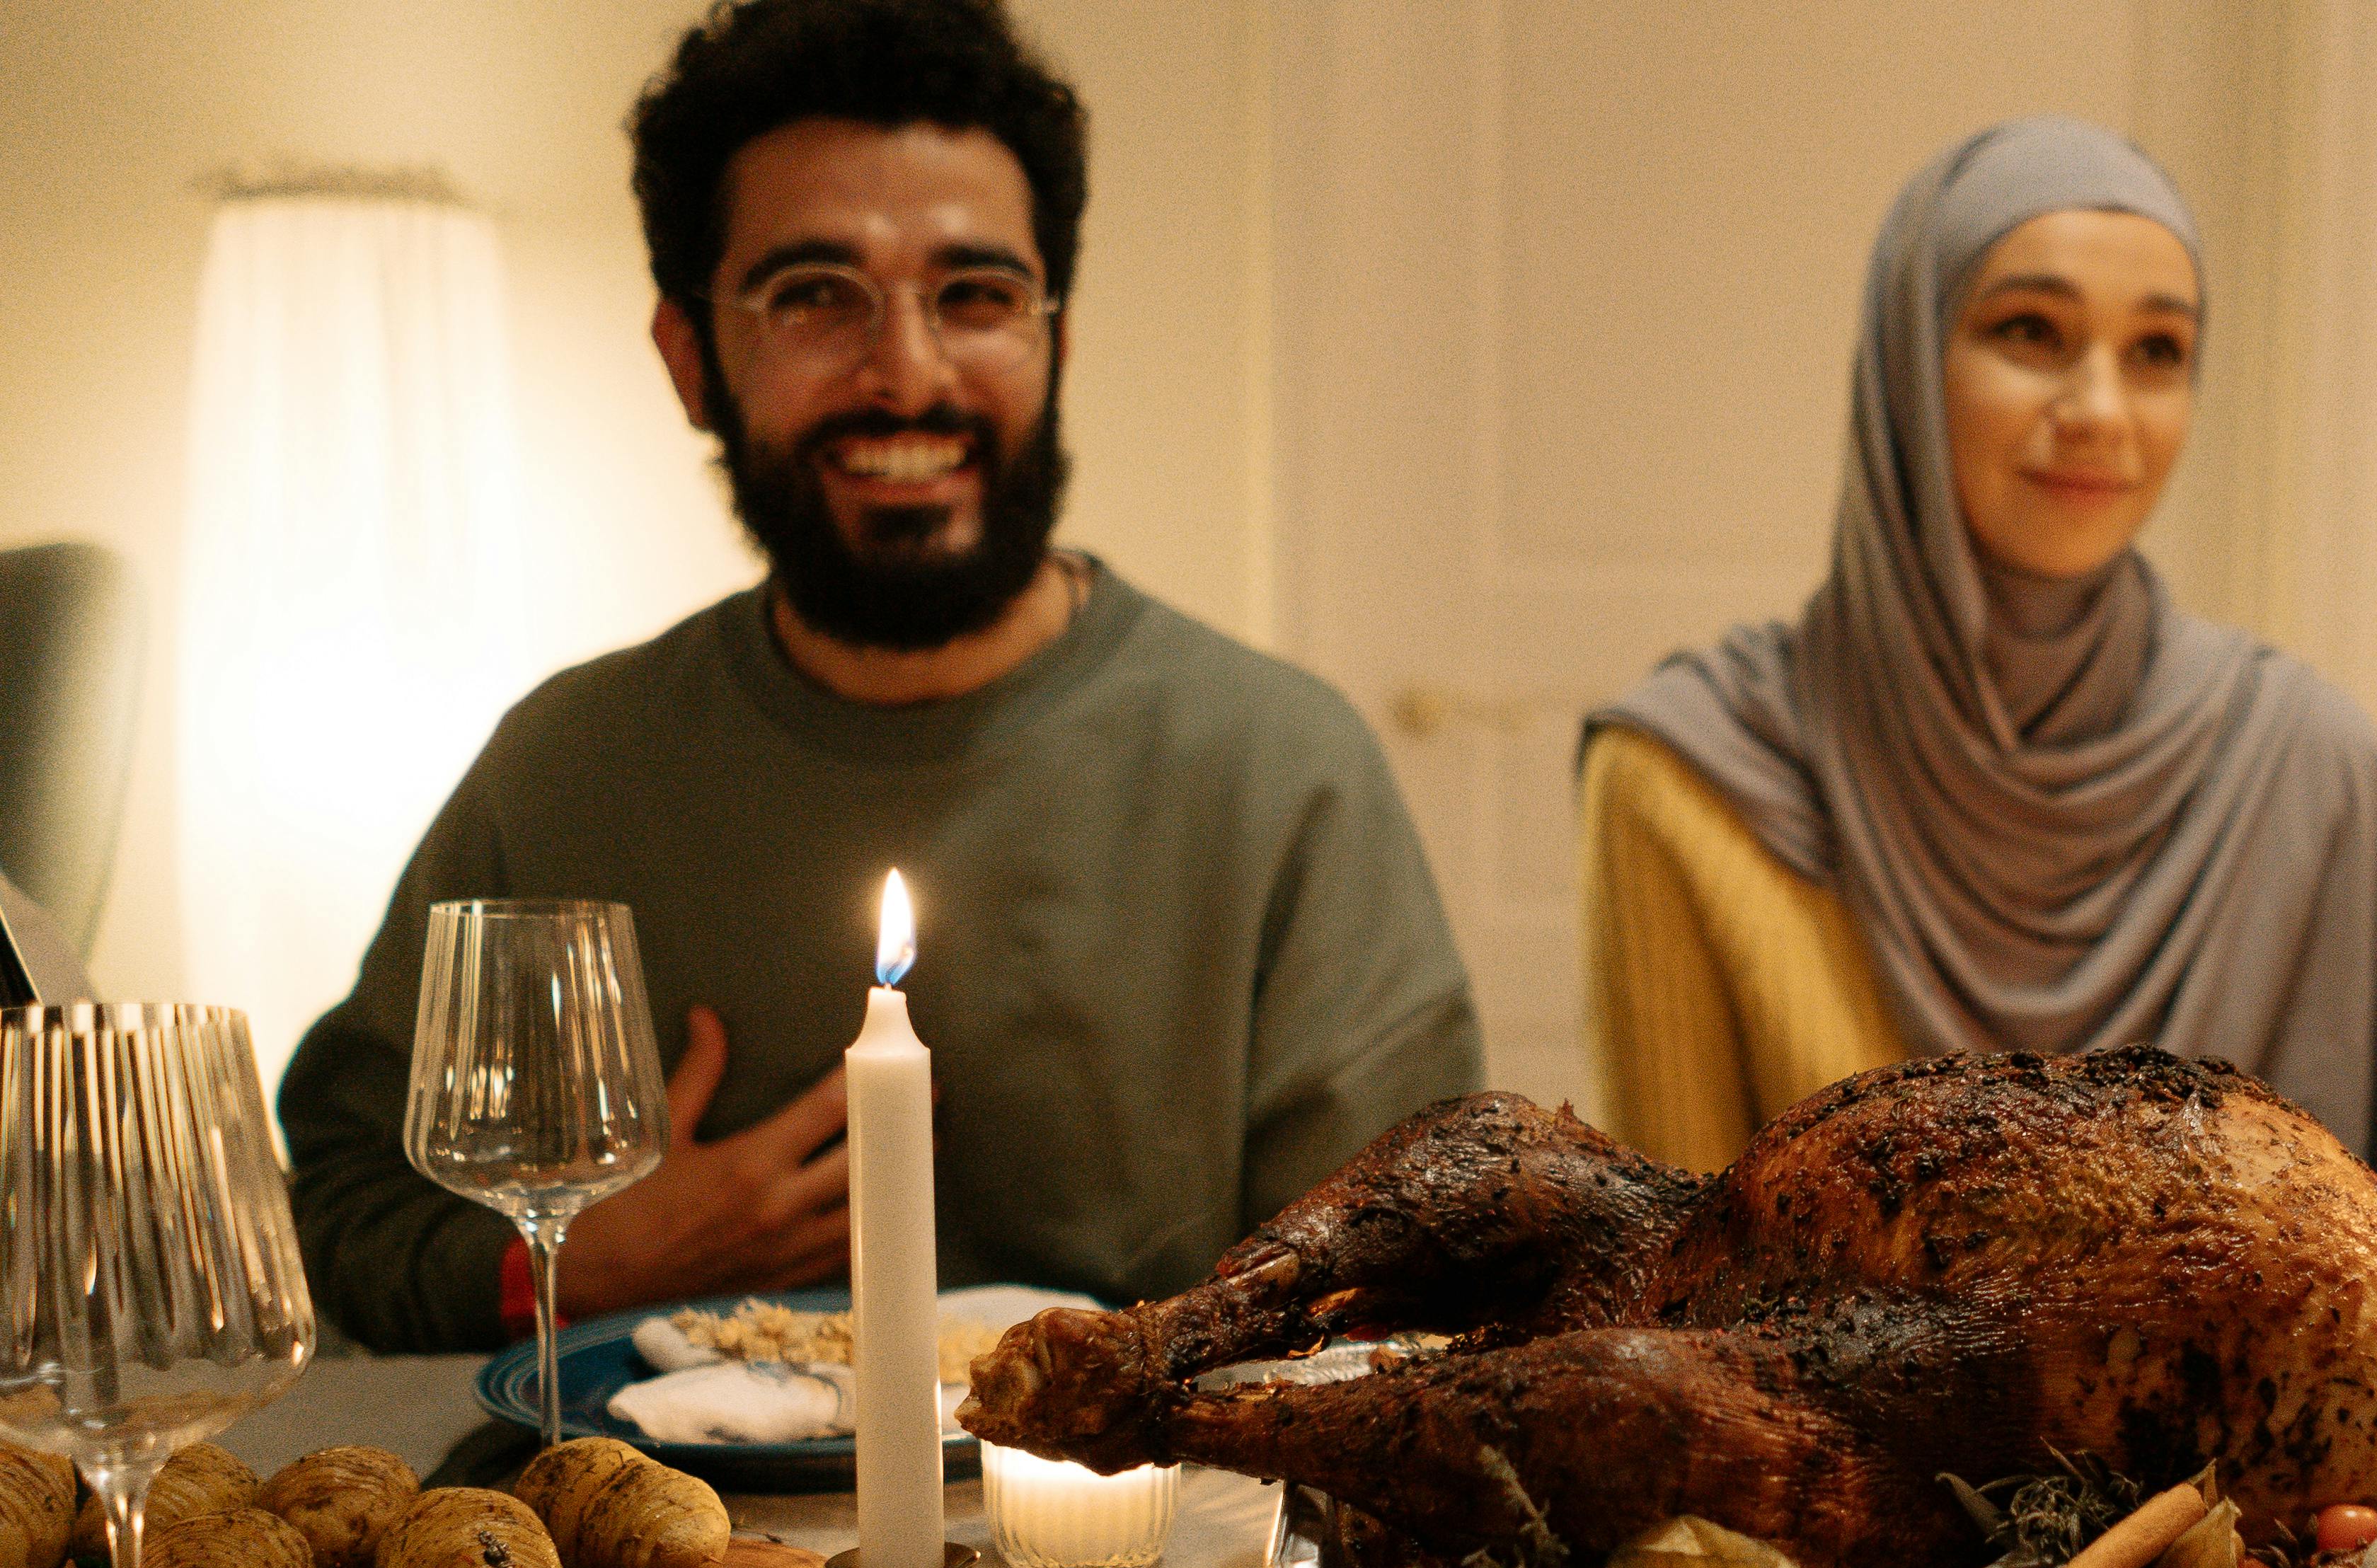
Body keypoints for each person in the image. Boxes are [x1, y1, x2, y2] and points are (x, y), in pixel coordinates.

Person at [278, 0, 1480, 1353]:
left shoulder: (1280, 774)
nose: (907, 376)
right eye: (814, 297)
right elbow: (343, 1203)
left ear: (1057, 338)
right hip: (663, 1547)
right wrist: (585, 1256)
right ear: (690, 359)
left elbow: (1404, 1296)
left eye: (975, 297)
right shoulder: (565, 770)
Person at [1577, 117, 2377, 1192]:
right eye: (2029, 330)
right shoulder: (1682, 781)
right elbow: (1680, 1307)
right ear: (1906, 364)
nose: (2101, 411)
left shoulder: (2305, 767)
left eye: (2157, 351)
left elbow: (2362, 1298)